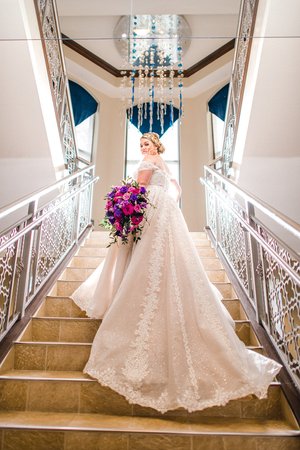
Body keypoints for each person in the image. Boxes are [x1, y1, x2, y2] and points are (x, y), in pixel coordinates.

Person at [71, 132, 281, 413]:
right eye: (141, 145)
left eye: (146, 144)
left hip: (152, 208)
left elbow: (140, 187)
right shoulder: (164, 164)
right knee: (166, 255)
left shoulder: (147, 162)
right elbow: (177, 189)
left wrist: (125, 203)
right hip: (167, 210)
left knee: (149, 256)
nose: (143, 148)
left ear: (155, 145)